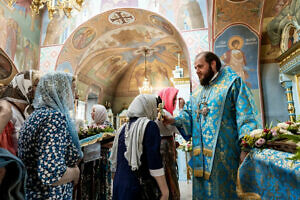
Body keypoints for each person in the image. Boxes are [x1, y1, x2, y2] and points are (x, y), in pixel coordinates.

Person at [163, 51, 260, 199]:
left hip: (225, 157)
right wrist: (173, 120)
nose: (197, 71)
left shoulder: (232, 83)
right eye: (195, 68)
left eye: (200, 67)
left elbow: (246, 117)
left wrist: (245, 147)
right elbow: (188, 115)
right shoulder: (197, 93)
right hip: (200, 158)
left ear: (213, 64)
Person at [18, 72, 83, 199]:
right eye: (72, 89)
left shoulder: (37, 115)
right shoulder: (53, 118)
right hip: (49, 195)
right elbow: (51, 174)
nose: (75, 95)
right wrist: (75, 173)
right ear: (59, 91)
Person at [110, 94, 169, 200]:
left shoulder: (122, 128)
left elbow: (116, 162)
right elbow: (154, 162)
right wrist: (165, 192)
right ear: (148, 107)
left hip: (119, 186)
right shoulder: (149, 126)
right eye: (155, 108)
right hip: (137, 187)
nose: (156, 113)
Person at [0, 70, 40, 155]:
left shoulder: (26, 111)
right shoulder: (8, 111)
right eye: (36, 85)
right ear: (24, 86)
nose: (40, 89)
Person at [81, 104, 113, 200]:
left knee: (101, 181)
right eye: (91, 111)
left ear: (100, 113)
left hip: (101, 159)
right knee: (90, 181)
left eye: (94, 111)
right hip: (89, 160)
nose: (91, 113)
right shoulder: (90, 127)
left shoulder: (107, 126)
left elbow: (111, 143)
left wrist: (96, 143)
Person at [155, 87, 180, 200]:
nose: (174, 102)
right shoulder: (164, 113)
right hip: (166, 145)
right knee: (169, 172)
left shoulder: (160, 112)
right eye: (173, 99)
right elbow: (177, 129)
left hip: (163, 143)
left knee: (166, 172)